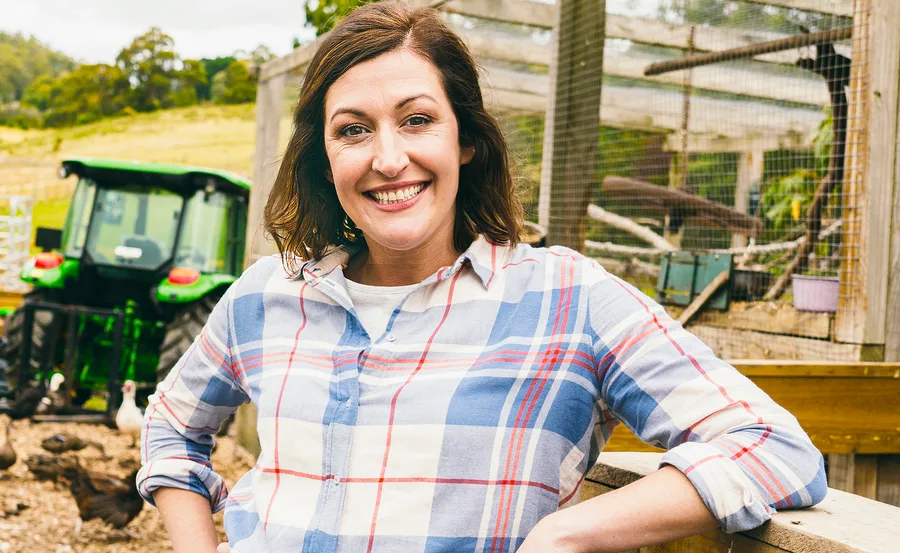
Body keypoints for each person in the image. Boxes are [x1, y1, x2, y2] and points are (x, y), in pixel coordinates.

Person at [138, 3, 827, 552]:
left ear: (465, 139)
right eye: (352, 130)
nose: (388, 157)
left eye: (417, 120)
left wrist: (568, 531)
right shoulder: (265, 295)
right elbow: (170, 427)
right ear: (322, 157)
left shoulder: (570, 301)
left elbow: (777, 447)